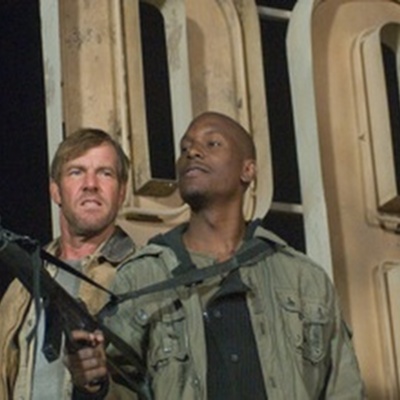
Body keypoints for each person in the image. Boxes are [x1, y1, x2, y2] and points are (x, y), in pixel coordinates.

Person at [67, 112, 366, 399]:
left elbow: (344, 389)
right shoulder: (143, 276)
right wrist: (93, 386)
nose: (193, 152)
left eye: (212, 143)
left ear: (248, 170)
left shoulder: (304, 279)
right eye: (185, 148)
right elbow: (120, 388)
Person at [0, 128, 137, 400]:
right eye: (76, 172)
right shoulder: (23, 285)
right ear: (56, 191)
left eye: (105, 173)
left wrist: (97, 388)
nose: (90, 184)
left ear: (121, 192)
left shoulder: (144, 273)